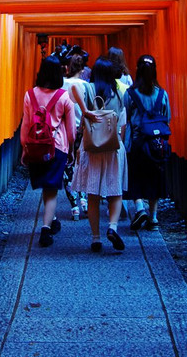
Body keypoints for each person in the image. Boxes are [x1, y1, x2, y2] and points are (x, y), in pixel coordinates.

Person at [73, 57, 128, 252]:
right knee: (115, 191)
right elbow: (122, 123)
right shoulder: (120, 93)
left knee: (93, 193)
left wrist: (86, 110)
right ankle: (112, 227)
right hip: (113, 147)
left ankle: (96, 238)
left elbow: (73, 89)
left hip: (92, 146)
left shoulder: (89, 89)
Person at [21, 56, 77, 247]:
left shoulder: (29, 95)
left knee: (46, 186)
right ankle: (45, 228)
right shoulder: (64, 96)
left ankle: (51, 219)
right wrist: (71, 149)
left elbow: (26, 124)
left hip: (36, 146)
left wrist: (24, 147)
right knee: (51, 189)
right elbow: (71, 131)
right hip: (57, 147)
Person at [123, 54, 171, 231]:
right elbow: (167, 117)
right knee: (154, 178)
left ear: (137, 71)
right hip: (156, 145)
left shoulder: (131, 94)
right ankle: (154, 218)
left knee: (135, 177)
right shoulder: (162, 94)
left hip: (137, 142)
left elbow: (126, 116)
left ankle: (140, 208)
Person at [61, 54, 88, 220]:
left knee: (68, 167)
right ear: (83, 70)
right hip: (83, 129)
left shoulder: (62, 84)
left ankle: (74, 206)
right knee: (83, 164)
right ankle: (84, 199)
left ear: (67, 68)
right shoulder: (86, 85)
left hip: (65, 130)